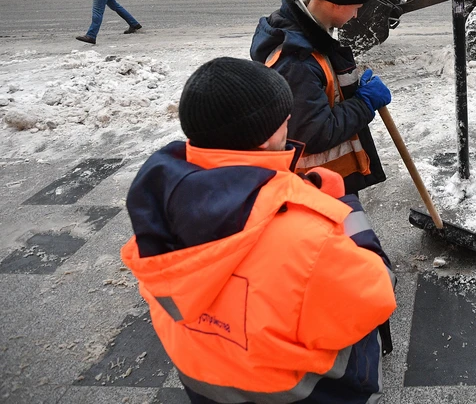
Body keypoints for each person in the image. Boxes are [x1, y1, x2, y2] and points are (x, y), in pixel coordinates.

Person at [122, 57, 396, 404]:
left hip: (205, 382)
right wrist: (344, 211)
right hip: (301, 392)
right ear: (269, 138)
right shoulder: (310, 235)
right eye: (286, 121)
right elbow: (378, 294)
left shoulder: (160, 207)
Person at [250, 0, 389, 194]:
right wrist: (364, 104)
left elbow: (320, 94)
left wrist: (352, 90)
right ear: (336, 4)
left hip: (325, 180)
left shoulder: (310, 33)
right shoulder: (297, 61)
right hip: (314, 185)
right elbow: (315, 133)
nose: (355, 16)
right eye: (355, 8)